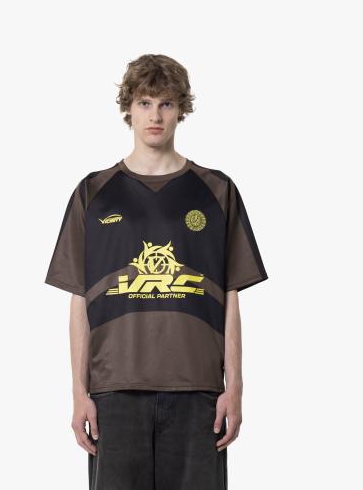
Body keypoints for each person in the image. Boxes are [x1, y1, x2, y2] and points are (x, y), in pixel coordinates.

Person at [44, 54, 268, 489]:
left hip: (198, 391)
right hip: (114, 392)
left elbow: (231, 296)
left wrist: (235, 388)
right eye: (145, 103)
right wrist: (78, 393)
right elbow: (79, 300)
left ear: (181, 109)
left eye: (166, 103)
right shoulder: (93, 193)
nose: (155, 115)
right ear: (128, 108)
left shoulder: (216, 190)